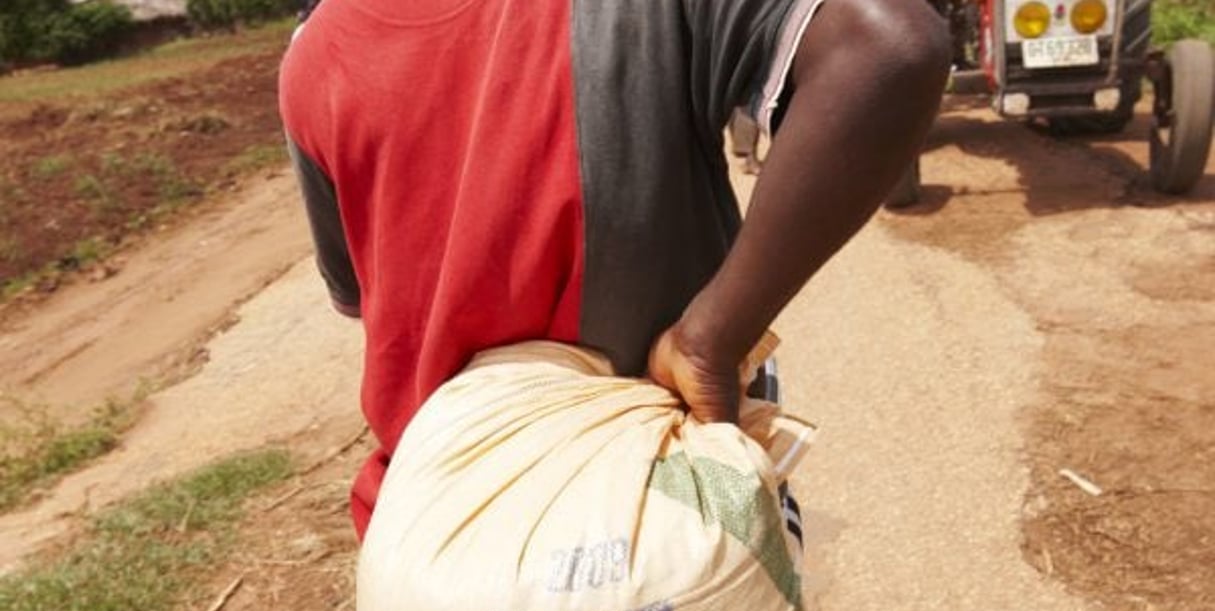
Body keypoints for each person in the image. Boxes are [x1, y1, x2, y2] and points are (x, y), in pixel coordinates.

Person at [279, 0, 950, 540]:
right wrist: (708, 339)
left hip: (438, 527)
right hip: (666, 511)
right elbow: (888, 45)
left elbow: (362, 294)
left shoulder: (313, 57)